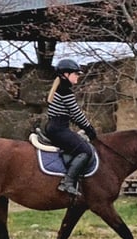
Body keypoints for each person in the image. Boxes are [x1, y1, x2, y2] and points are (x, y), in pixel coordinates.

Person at [45, 58, 97, 196]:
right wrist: (89, 129)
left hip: (55, 127)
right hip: (59, 130)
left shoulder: (60, 90)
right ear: (65, 75)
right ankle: (67, 183)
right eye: (76, 73)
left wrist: (85, 127)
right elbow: (77, 113)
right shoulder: (65, 91)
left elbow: (71, 115)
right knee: (85, 151)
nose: (78, 76)